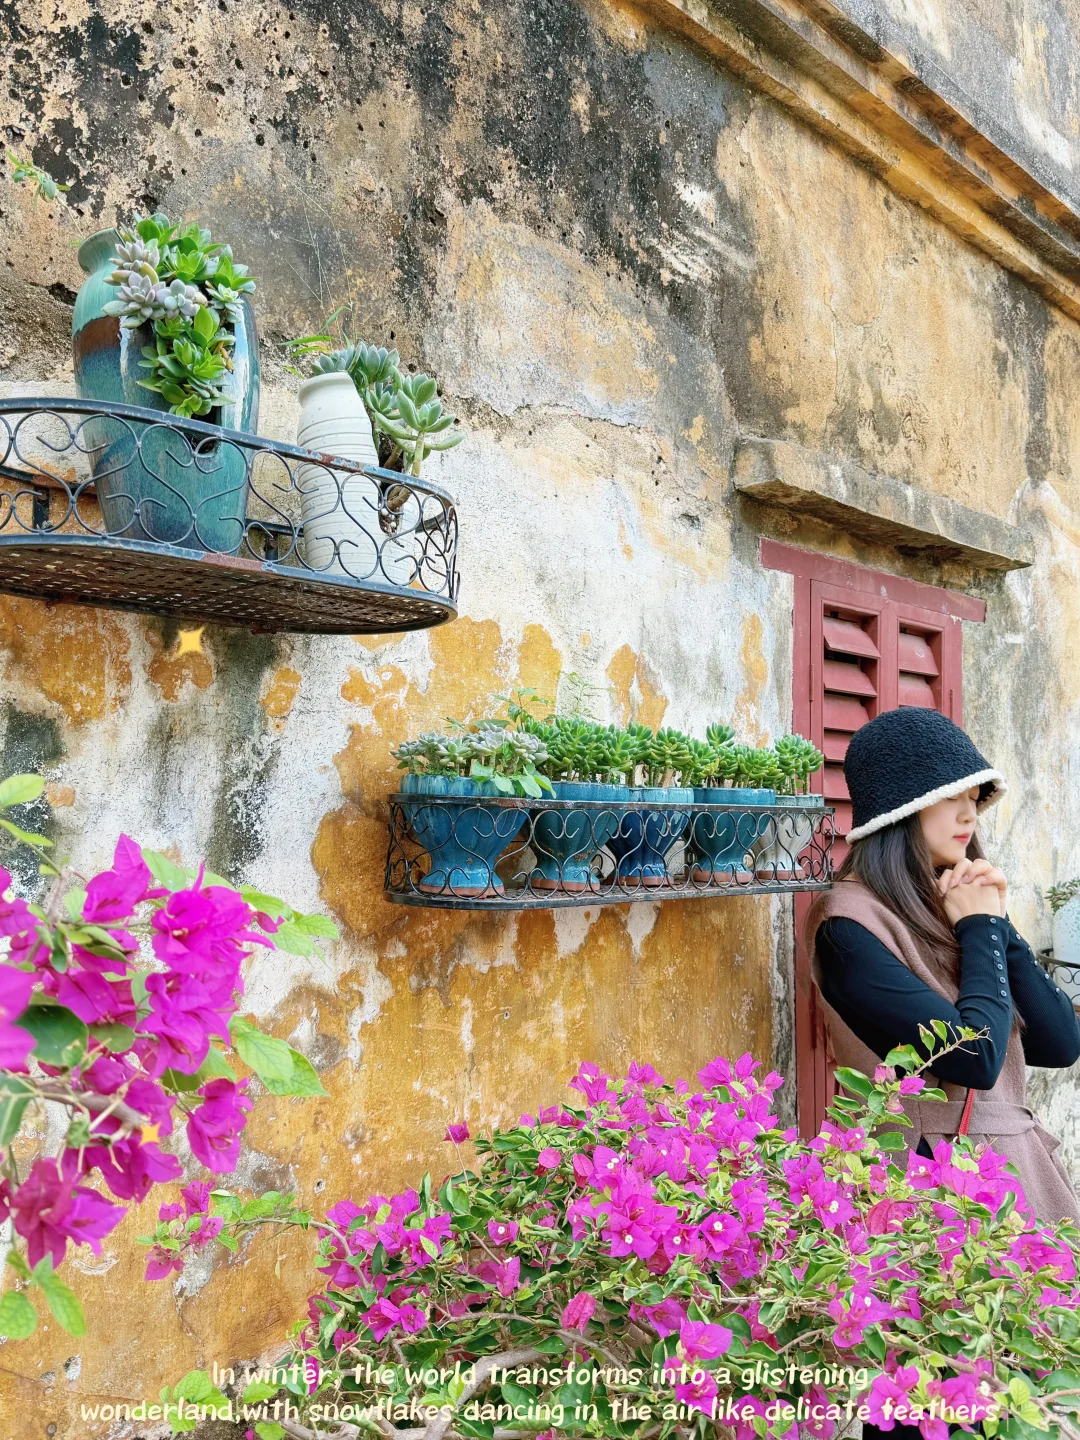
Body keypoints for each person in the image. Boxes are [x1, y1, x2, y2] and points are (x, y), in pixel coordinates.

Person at [803, 707, 1080, 1226]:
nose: (969, 815)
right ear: (904, 806)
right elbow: (970, 1058)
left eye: (973, 799)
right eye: (951, 797)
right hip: (927, 1181)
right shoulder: (847, 924)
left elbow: (1061, 1043)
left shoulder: (955, 902)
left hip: (1013, 1168)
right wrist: (979, 928)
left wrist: (992, 923)